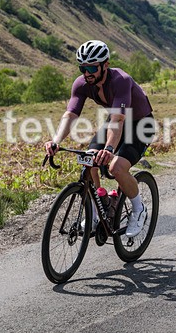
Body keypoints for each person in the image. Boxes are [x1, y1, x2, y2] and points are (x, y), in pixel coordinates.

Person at [44, 40, 155, 238]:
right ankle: (98, 209)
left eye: (92, 67)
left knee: (116, 168)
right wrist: (56, 141)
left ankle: (139, 209)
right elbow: (70, 115)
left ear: (105, 64)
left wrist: (110, 149)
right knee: (89, 159)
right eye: (83, 68)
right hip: (115, 121)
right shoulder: (82, 83)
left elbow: (118, 119)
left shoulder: (121, 80)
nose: (87, 73)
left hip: (140, 124)